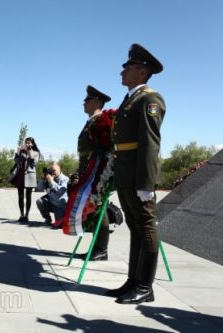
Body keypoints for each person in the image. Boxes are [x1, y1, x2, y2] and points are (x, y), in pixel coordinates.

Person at [108, 43, 166, 304]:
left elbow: (150, 143)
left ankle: (145, 286)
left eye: (128, 68)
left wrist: (146, 182)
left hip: (138, 175)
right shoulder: (131, 98)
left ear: (141, 72)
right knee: (134, 227)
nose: (122, 72)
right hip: (125, 172)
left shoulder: (149, 99)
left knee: (146, 226)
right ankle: (133, 280)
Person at [72, 85, 113, 261]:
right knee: (94, 209)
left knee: (98, 209)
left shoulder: (101, 121)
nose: (84, 103)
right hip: (88, 171)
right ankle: (97, 247)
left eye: (87, 100)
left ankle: (101, 248)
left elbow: (104, 148)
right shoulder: (91, 121)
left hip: (98, 172)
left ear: (96, 102)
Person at [14, 137, 40, 222]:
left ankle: (27, 215)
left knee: (28, 196)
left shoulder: (36, 153)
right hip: (21, 175)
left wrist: (29, 153)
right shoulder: (21, 152)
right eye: (26, 143)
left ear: (32, 144)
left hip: (30, 175)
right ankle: (21, 214)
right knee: (20, 196)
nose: (27, 144)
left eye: (29, 143)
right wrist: (18, 152)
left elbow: (34, 163)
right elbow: (16, 160)